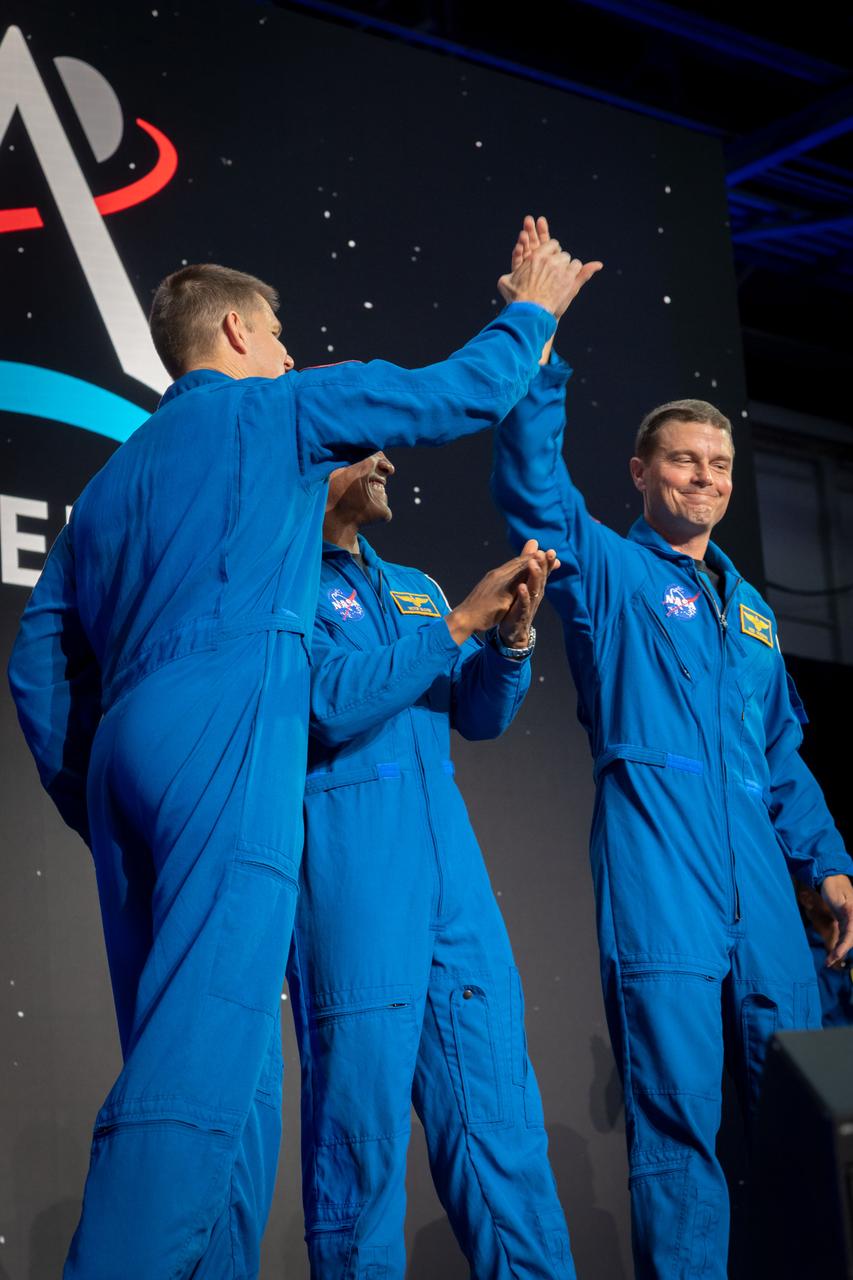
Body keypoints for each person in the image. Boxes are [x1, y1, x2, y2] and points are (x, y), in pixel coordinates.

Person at [7, 242, 585, 1280]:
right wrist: (535, 311)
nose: (286, 355)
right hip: (225, 736)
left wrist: (94, 799)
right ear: (235, 331)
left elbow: (41, 667)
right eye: (277, 337)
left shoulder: (103, 489)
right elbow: (463, 390)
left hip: (134, 751)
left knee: (226, 1083)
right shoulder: (272, 413)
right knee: (199, 1074)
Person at [490, 216, 853, 1278]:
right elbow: (531, 492)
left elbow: (781, 752)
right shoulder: (606, 568)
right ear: (640, 473)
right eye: (684, 461)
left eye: (720, 463)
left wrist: (826, 859)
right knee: (681, 1134)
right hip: (663, 882)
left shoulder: (749, 612)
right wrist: (536, 338)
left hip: (763, 893)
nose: (705, 477)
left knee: (801, 1129)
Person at [287, 451, 575, 1278]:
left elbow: (477, 714)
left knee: (503, 1135)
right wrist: (454, 626)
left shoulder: (408, 581)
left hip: (452, 886)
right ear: (315, 463)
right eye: (361, 446)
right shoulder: (278, 576)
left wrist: (510, 637)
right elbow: (327, 702)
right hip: (353, 879)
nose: (385, 458)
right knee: (360, 1146)